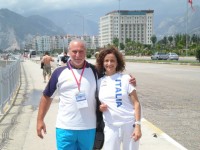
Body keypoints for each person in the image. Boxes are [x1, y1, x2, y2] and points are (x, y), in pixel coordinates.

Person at [36, 39, 136, 150]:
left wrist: (129, 80)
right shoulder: (59, 72)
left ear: (85, 52)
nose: (77, 55)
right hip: (65, 128)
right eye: (74, 51)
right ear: (69, 52)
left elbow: (112, 78)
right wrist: (40, 120)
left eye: (81, 51)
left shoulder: (95, 71)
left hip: (89, 128)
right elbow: (47, 97)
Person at [96, 47, 142, 150]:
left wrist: (138, 126)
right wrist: (100, 108)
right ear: (102, 63)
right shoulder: (99, 82)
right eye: (106, 61)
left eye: (112, 60)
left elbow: (136, 103)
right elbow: (98, 104)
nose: (109, 63)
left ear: (118, 63)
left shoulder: (126, 79)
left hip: (129, 125)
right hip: (111, 127)